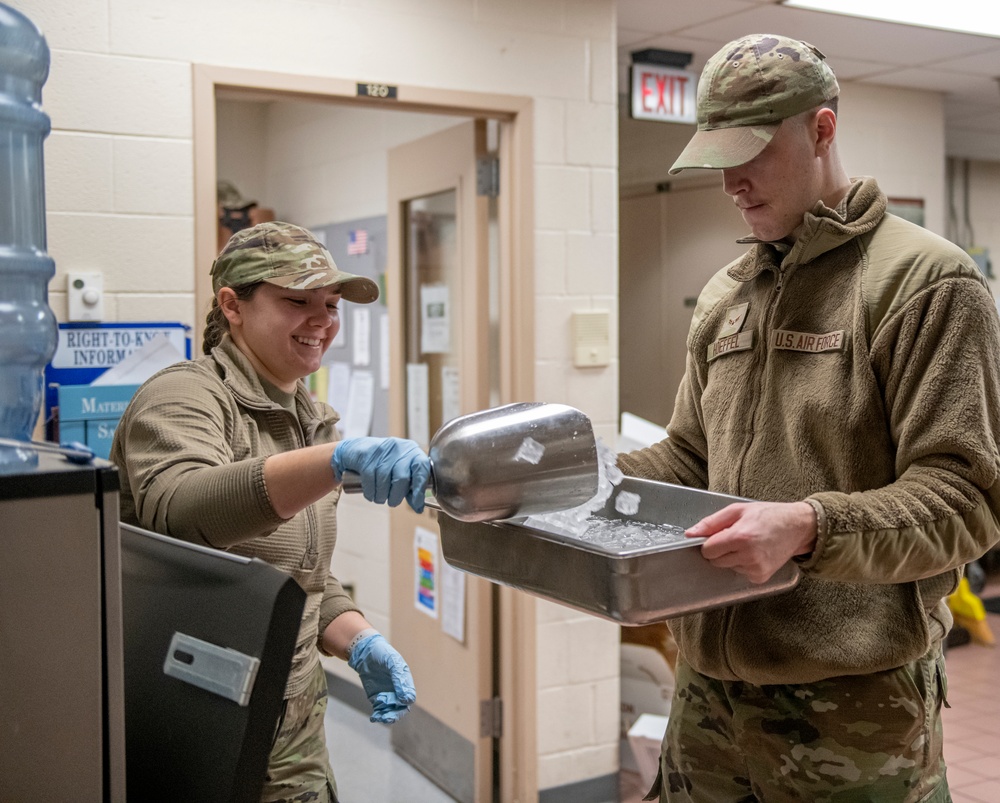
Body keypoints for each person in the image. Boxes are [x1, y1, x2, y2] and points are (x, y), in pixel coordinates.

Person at [617, 34, 1000, 803]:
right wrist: (580, 476)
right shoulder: (728, 293)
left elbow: (967, 499)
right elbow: (693, 458)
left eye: (751, 153)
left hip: (852, 710)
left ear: (821, 130)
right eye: (718, 157)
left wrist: (806, 527)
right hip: (709, 698)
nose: (731, 181)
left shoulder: (925, 284)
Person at [110, 221, 431, 803]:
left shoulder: (307, 415)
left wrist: (358, 640)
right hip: (208, 713)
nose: (323, 320)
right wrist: (333, 461)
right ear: (232, 305)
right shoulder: (187, 396)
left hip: (294, 714)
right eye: (296, 301)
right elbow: (179, 509)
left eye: (330, 304)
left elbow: (295, 572)